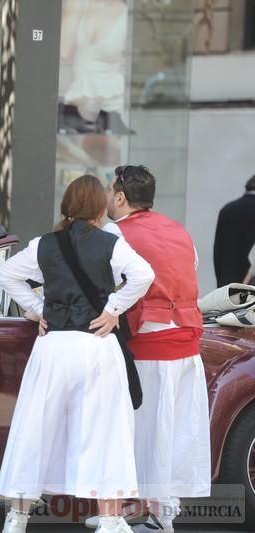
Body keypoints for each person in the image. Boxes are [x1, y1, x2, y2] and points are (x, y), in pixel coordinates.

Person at [0, 174, 154, 533]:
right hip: (96, 346)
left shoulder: (44, 244)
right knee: (105, 431)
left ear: (67, 205)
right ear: (100, 206)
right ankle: (110, 520)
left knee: (34, 429)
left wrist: (37, 310)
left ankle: (17, 518)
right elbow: (143, 274)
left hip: (53, 346)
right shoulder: (110, 242)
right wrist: (114, 309)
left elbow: (6, 274)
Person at [106, 164, 210, 533]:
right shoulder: (179, 230)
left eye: (109, 190)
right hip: (188, 340)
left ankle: (135, 513)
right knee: (173, 431)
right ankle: (159, 513)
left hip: (148, 344)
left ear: (120, 197)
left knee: (142, 431)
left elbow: (108, 282)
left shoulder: (114, 232)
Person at [213, 175, 255, 287]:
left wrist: (221, 282)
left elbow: (217, 252)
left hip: (227, 287)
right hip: (251, 287)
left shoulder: (226, 209)